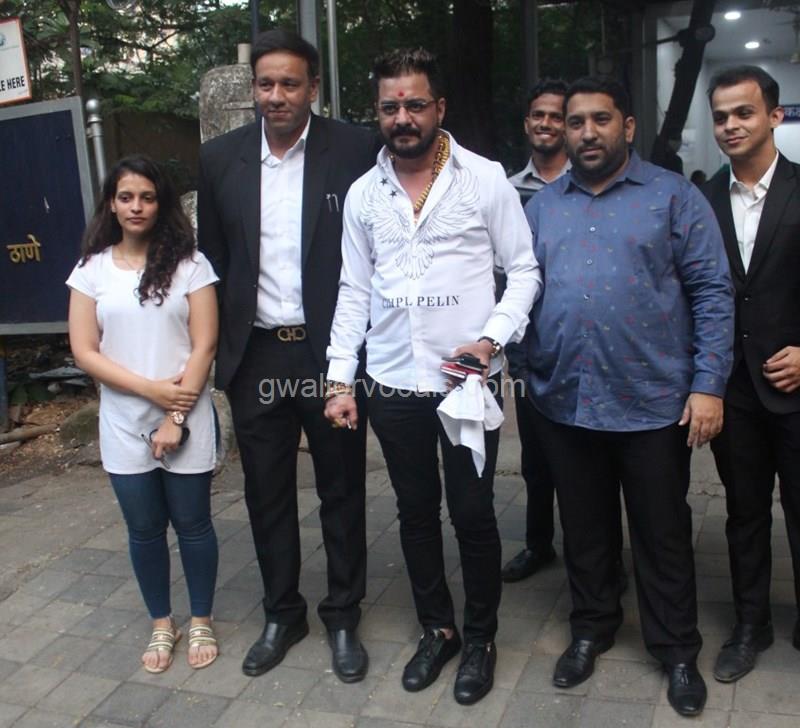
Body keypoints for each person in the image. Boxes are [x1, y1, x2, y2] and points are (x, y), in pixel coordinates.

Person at [324, 48, 540, 705]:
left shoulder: (484, 179)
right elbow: (353, 289)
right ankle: (437, 629)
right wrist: (339, 378)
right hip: (392, 382)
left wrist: (490, 339)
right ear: (378, 113)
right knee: (415, 512)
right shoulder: (364, 194)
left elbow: (524, 270)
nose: (403, 118)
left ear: (439, 108)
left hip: (466, 383)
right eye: (390, 107)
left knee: (473, 513)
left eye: (415, 104)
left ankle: (480, 639)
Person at [522, 76, 734, 717]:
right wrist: (524, 366)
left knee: (661, 533)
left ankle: (676, 650)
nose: (587, 132)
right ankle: (592, 627)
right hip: (566, 400)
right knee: (584, 529)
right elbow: (518, 290)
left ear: (628, 126)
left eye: (601, 119)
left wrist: (708, 385)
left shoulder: (673, 197)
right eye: (575, 122)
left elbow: (712, 291)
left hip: (652, 403)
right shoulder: (542, 207)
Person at [196, 29, 375, 683]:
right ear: (254, 89)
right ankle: (282, 612)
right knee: (266, 493)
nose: (276, 95)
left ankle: (343, 615)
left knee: (341, 489)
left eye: (290, 83)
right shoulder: (220, 159)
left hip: (330, 357)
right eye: (266, 84)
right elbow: (213, 261)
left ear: (313, 88)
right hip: (258, 358)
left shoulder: (354, 149)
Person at [67, 154, 220, 674]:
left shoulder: (191, 266)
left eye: (147, 197)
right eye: (126, 197)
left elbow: (204, 345)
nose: (136, 206)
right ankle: (161, 622)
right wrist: (151, 391)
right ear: (111, 204)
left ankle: (201, 618)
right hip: (122, 420)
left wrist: (174, 416)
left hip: (187, 413)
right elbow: (85, 351)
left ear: (161, 203)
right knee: (144, 529)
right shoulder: (91, 270)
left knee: (193, 524)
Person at [702, 65, 800, 683]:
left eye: (743, 112)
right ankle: (750, 626)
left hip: (796, 386)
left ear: (774, 116)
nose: (731, 126)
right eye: (721, 117)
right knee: (744, 514)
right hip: (733, 389)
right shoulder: (702, 198)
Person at [503, 80, 569, 582]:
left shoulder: (587, 181)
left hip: (578, 341)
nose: (546, 123)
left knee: (587, 458)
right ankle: (538, 544)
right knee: (536, 456)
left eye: (556, 116)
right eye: (538, 115)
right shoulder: (506, 189)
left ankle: (599, 552)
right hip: (528, 345)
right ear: (527, 123)